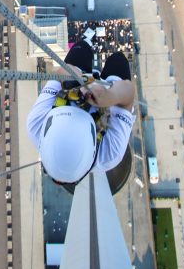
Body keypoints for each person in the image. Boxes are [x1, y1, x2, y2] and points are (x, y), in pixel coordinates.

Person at [27, 37, 136, 184]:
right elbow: (128, 94)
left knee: (81, 49)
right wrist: (109, 96)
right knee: (118, 60)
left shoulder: (36, 124)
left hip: (75, 86)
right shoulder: (109, 154)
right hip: (107, 101)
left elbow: (61, 72)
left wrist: (80, 80)